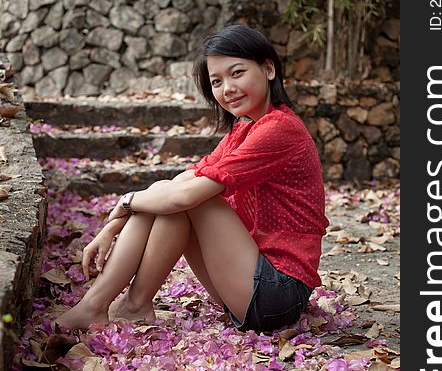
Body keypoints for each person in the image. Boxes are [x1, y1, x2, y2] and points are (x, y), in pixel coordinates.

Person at [56, 24, 329, 332]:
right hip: (246, 282)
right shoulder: (244, 129)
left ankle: (108, 305)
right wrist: (112, 226)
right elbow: (180, 182)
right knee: (171, 191)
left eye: (237, 73)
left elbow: (185, 196)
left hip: (278, 294)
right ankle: (127, 305)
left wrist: (124, 203)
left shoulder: (279, 129)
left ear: (268, 69)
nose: (227, 88)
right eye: (216, 81)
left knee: (192, 200)